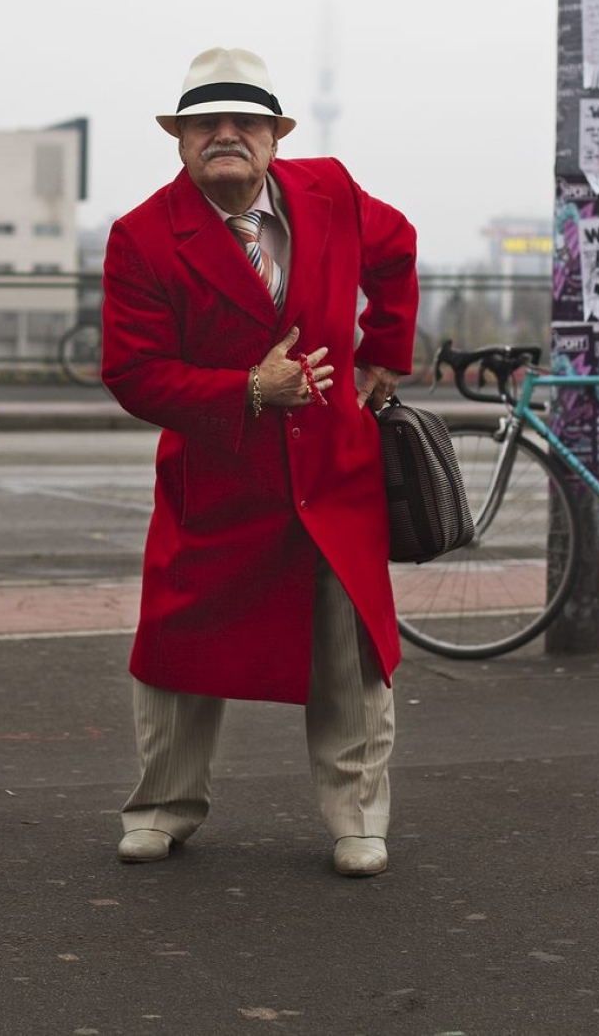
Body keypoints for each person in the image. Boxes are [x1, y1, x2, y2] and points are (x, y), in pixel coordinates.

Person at [101, 47, 418, 877]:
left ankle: (357, 818)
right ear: (179, 140)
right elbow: (131, 371)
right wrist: (247, 387)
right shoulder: (140, 235)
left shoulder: (332, 191)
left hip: (332, 471)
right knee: (177, 649)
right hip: (217, 474)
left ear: (276, 138)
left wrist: (383, 348)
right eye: (206, 122)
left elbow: (397, 248)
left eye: (245, 121)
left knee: (350, 652)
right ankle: (162, 809)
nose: (226, 134)